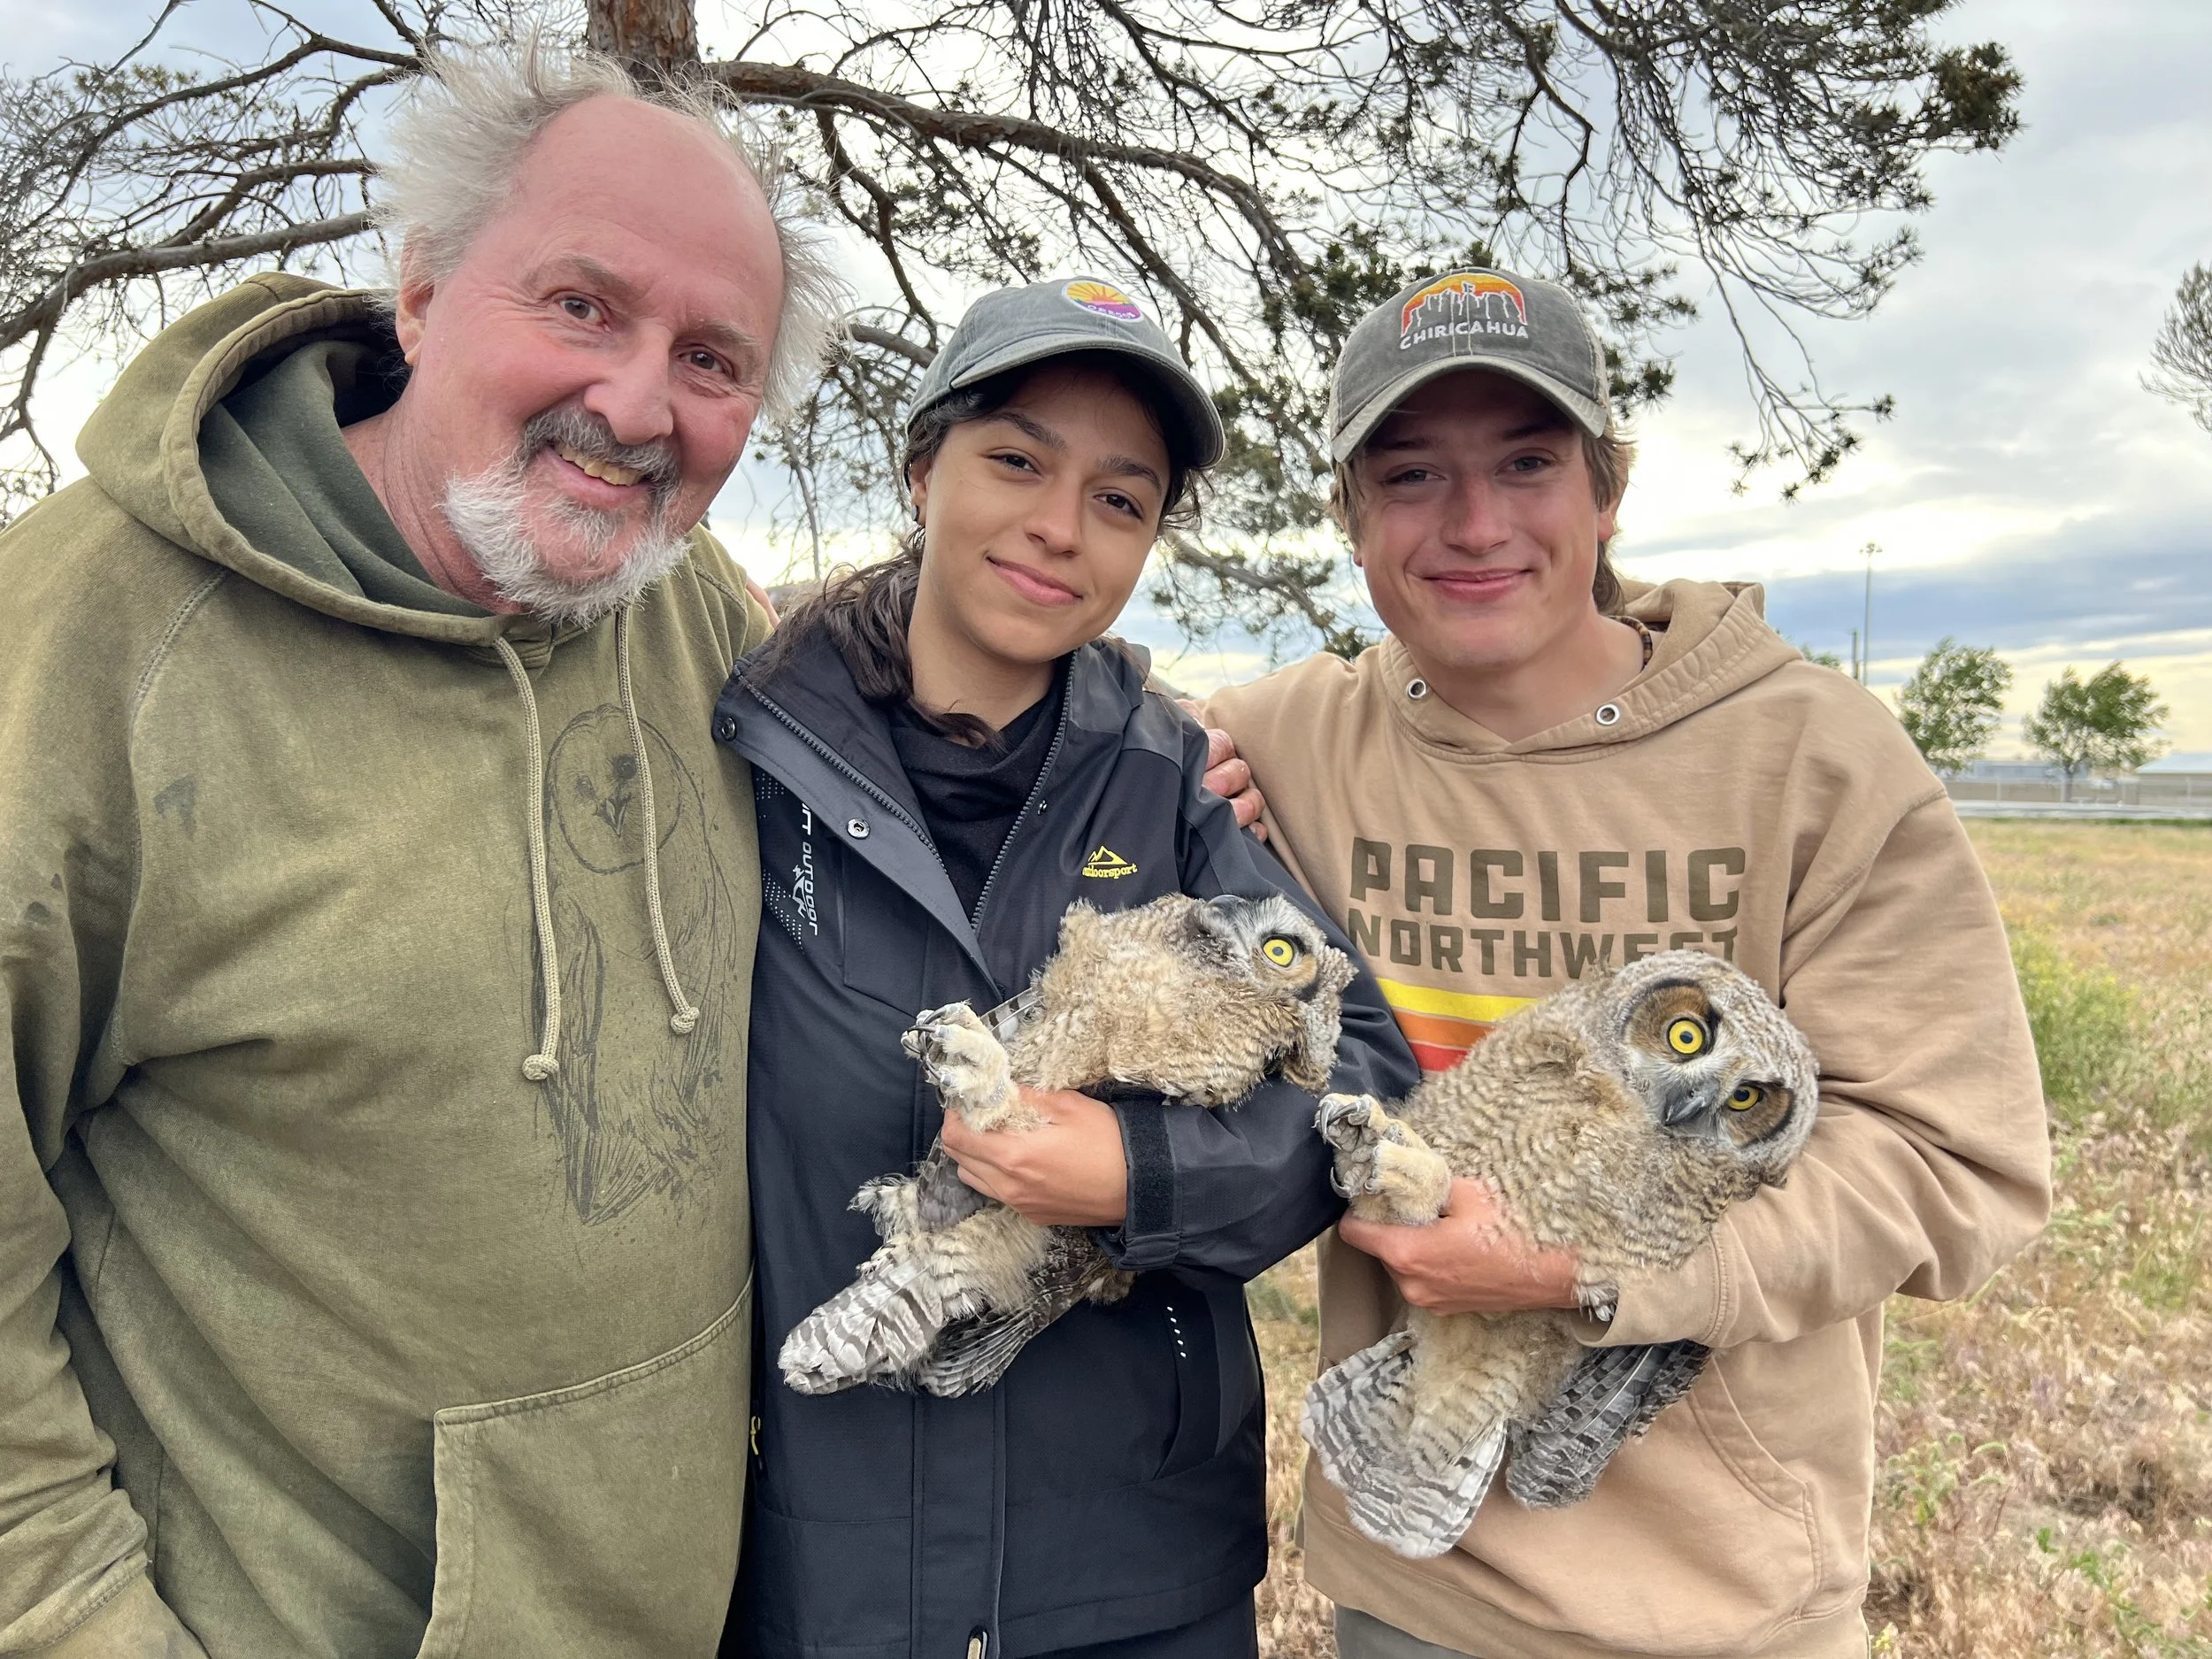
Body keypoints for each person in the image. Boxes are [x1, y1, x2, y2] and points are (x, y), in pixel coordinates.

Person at [0, 45, 848, 1658]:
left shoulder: (685, 610)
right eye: (581, 304)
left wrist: (1149, 785)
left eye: (714, 357)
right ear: (422, 286)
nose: (638, 403)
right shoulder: (83, 649)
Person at [1203, 267, 2051, 1659]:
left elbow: (1960, 1164)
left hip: (1717, 1607)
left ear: (1609, 492)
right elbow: (1036, 698)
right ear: (1351, 517)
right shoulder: (1291, 740)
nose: (1474, 523)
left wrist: (1585, 1274)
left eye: (1528, 461)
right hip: (1414, 1583)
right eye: (1411, 473)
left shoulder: (1814, 762)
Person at [713, 277, 1421, 1659]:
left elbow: (1362, 1086)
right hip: (817, 1565)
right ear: (923, 466)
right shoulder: (745, 752)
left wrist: (1142, 1175)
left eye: (1120, 498)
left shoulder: (1174, 787)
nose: (1059, 527)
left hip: (1132, 1578)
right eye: (1018, 460)